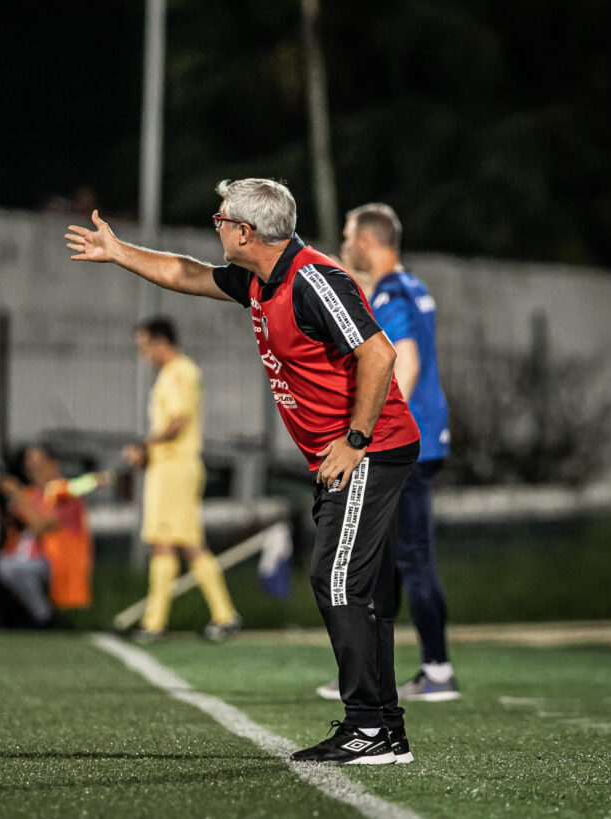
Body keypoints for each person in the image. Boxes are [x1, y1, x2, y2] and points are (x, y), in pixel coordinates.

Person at [65, 178, 421, 765]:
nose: (216, 224)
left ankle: (369, 729)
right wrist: (120, 252)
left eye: (221, 217)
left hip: (373, 449)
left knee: (335, 581)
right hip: (351, 452)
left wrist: (354, 441)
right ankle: (382, 727)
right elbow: (184, 274)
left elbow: (378, 354)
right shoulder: (261, 277)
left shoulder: (314, 279)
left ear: (247, 232)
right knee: (360, 589)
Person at [332, 202, 458, 701]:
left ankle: (438, 671)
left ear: (366, 240)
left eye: (347, 235)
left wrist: (370, 433)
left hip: (411, 443)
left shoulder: (391, 293)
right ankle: (380, 669)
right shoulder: (413, 286)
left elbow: (401, 364)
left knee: (410, 558)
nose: (344, 242)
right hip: (427, 436)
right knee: (390, 558)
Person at [122, 316, 240, 643]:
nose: (143, 354)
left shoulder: (179, 372)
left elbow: (177, 421)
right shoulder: (172, 373)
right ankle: (171, 620)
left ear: (161, 342)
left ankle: (168, 622)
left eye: (146, 346)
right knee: (172, 543)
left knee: (182, 543)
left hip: (176, 468)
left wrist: (144, 446)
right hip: (167, 468)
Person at [0, 445, 94, 628]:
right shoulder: (30, 494)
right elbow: (0, 528)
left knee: (9, 566)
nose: (31, 468)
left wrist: (16, 493)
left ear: (54, 464)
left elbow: (40, 525)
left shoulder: (67, 493)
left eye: (37, 462)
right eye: (28, 463)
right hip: (18, 557)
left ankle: (45, 619)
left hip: (53, 563)